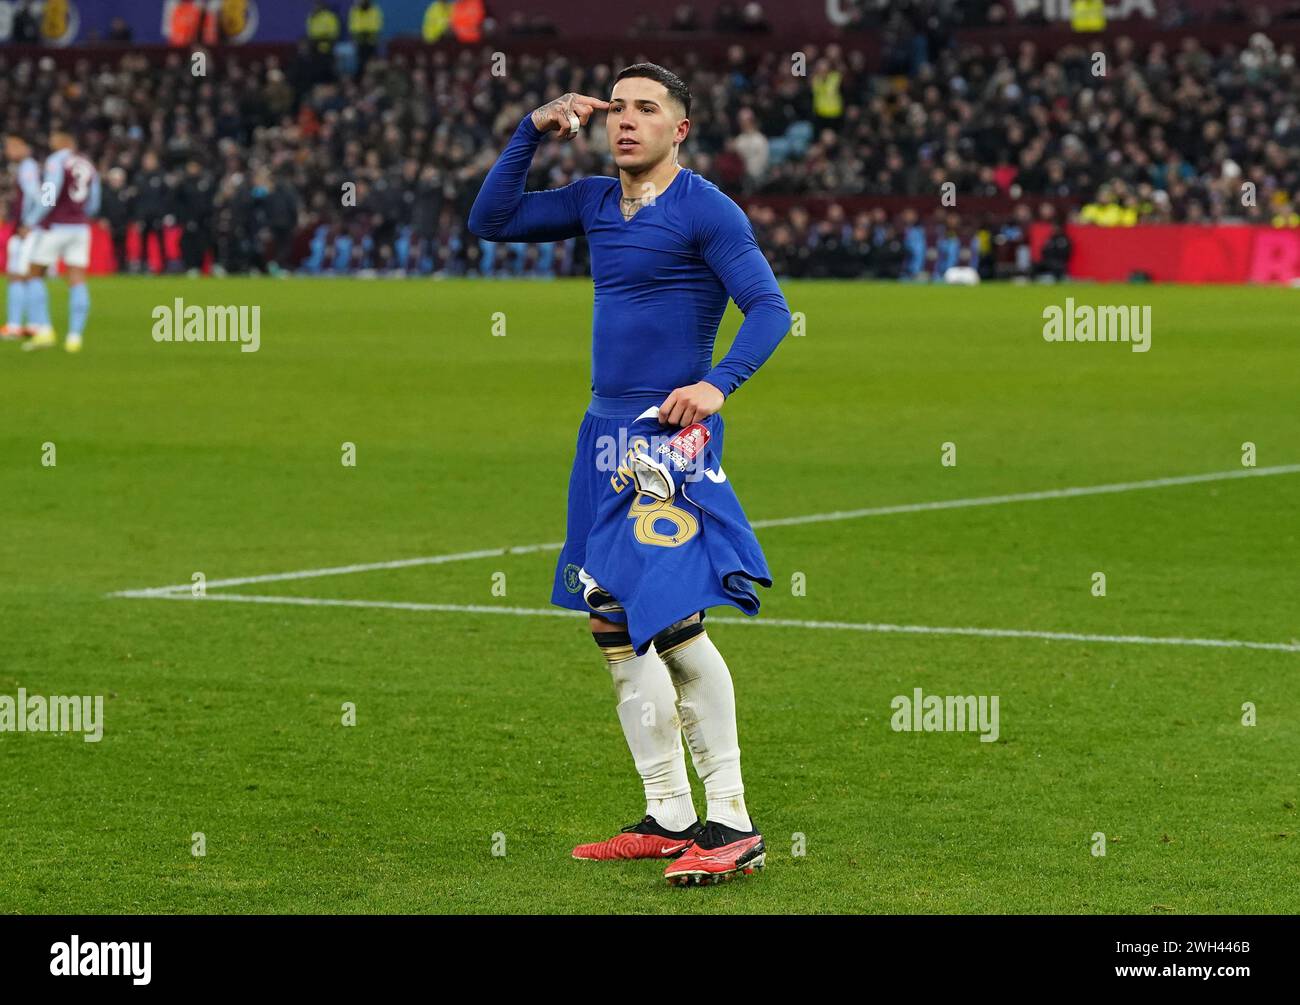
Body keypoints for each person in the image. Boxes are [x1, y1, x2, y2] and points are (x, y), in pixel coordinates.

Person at [468, 63, 790, 886]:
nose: (626, 121)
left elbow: (770, 308)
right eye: (616, 107)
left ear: (680, 129)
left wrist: (716, 384)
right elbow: (492, 218)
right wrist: (529, 132)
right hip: (601, 432)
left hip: (663, 438)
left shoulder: (706, 209)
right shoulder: (592, 202)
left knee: (674, 622)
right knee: (610, 620)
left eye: (647, 109)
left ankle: (735, 822)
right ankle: (669, 814)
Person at [24, 128, 100, 353]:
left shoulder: (56, 161)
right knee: (77, 278)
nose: (50, 141)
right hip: (80, 228)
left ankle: (45, 330)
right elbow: (94, 201)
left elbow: (49, 193)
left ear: (61, 140)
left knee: (33, 273)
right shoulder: (87, 164)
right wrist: (82, 216)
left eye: (53, 138)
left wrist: (31, 220)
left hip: (56, 227)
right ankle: (75, 337)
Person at [2, 132, 42, 342]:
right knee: (27, 276)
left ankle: (15, 325)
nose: (7, 151)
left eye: (9, 146)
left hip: (25, 229)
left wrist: (29, 222)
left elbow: (35, 195)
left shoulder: (27, 167)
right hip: (30, 228)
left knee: (18, 275)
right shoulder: (31, 166)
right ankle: (33, 324)